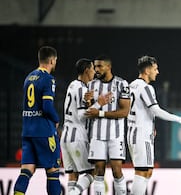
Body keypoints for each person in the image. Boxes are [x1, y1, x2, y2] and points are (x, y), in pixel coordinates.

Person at [127, 55, 181, 195]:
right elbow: (156, 110)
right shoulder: (146, 88)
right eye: (155, 69)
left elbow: (136, 110)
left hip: (134, 132)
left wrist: (150, 125)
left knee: (146, 171)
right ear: (147, 70)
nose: (157, 72)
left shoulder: (131, 85)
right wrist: (179, 119)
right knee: (142, 172)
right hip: (141, 135)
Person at [14, 46, 61, 195]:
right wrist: (56, 119)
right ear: (52, 60)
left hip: (28, 131)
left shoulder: (29, 77)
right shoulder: (48, 79)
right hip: (43, 131)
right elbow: (47, 107)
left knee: (26, 170)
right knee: (53, 171)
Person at [60, 58, 110, 195]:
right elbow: (82, 115)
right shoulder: (82, 88)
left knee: (73, 175)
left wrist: (89, 102)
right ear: (87, 70)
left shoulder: (72, 85)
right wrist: (99, 103)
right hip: (77, 135)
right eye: (93, 69)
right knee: (91, 173)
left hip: (65, 136)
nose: (95, 72)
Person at [85, 55, 130, 195]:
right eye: (95, 66)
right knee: (99, 171)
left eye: (99, 66)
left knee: (117, 170)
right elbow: (89, 111)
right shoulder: (91, 85)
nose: (96, 69)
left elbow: (124, 112)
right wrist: (87, 102)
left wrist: (101, 114)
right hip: (97, 134)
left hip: (115, 135)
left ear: (109, 67)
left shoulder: (122, 84)